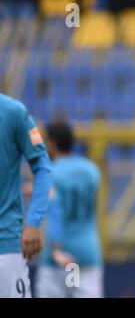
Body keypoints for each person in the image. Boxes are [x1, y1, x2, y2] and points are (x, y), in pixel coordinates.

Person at [34, 121, 103, 298]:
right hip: (87, 252)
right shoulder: (92, 170)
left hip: (60, 257)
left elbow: (56, 210)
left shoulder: (50, 173)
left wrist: (56, 249)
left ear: (52, 142)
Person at [0, 93, 53, 297]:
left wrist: (33, 221)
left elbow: (42, 167)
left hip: (5, 246)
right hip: (72, 260)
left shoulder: (13, 112)